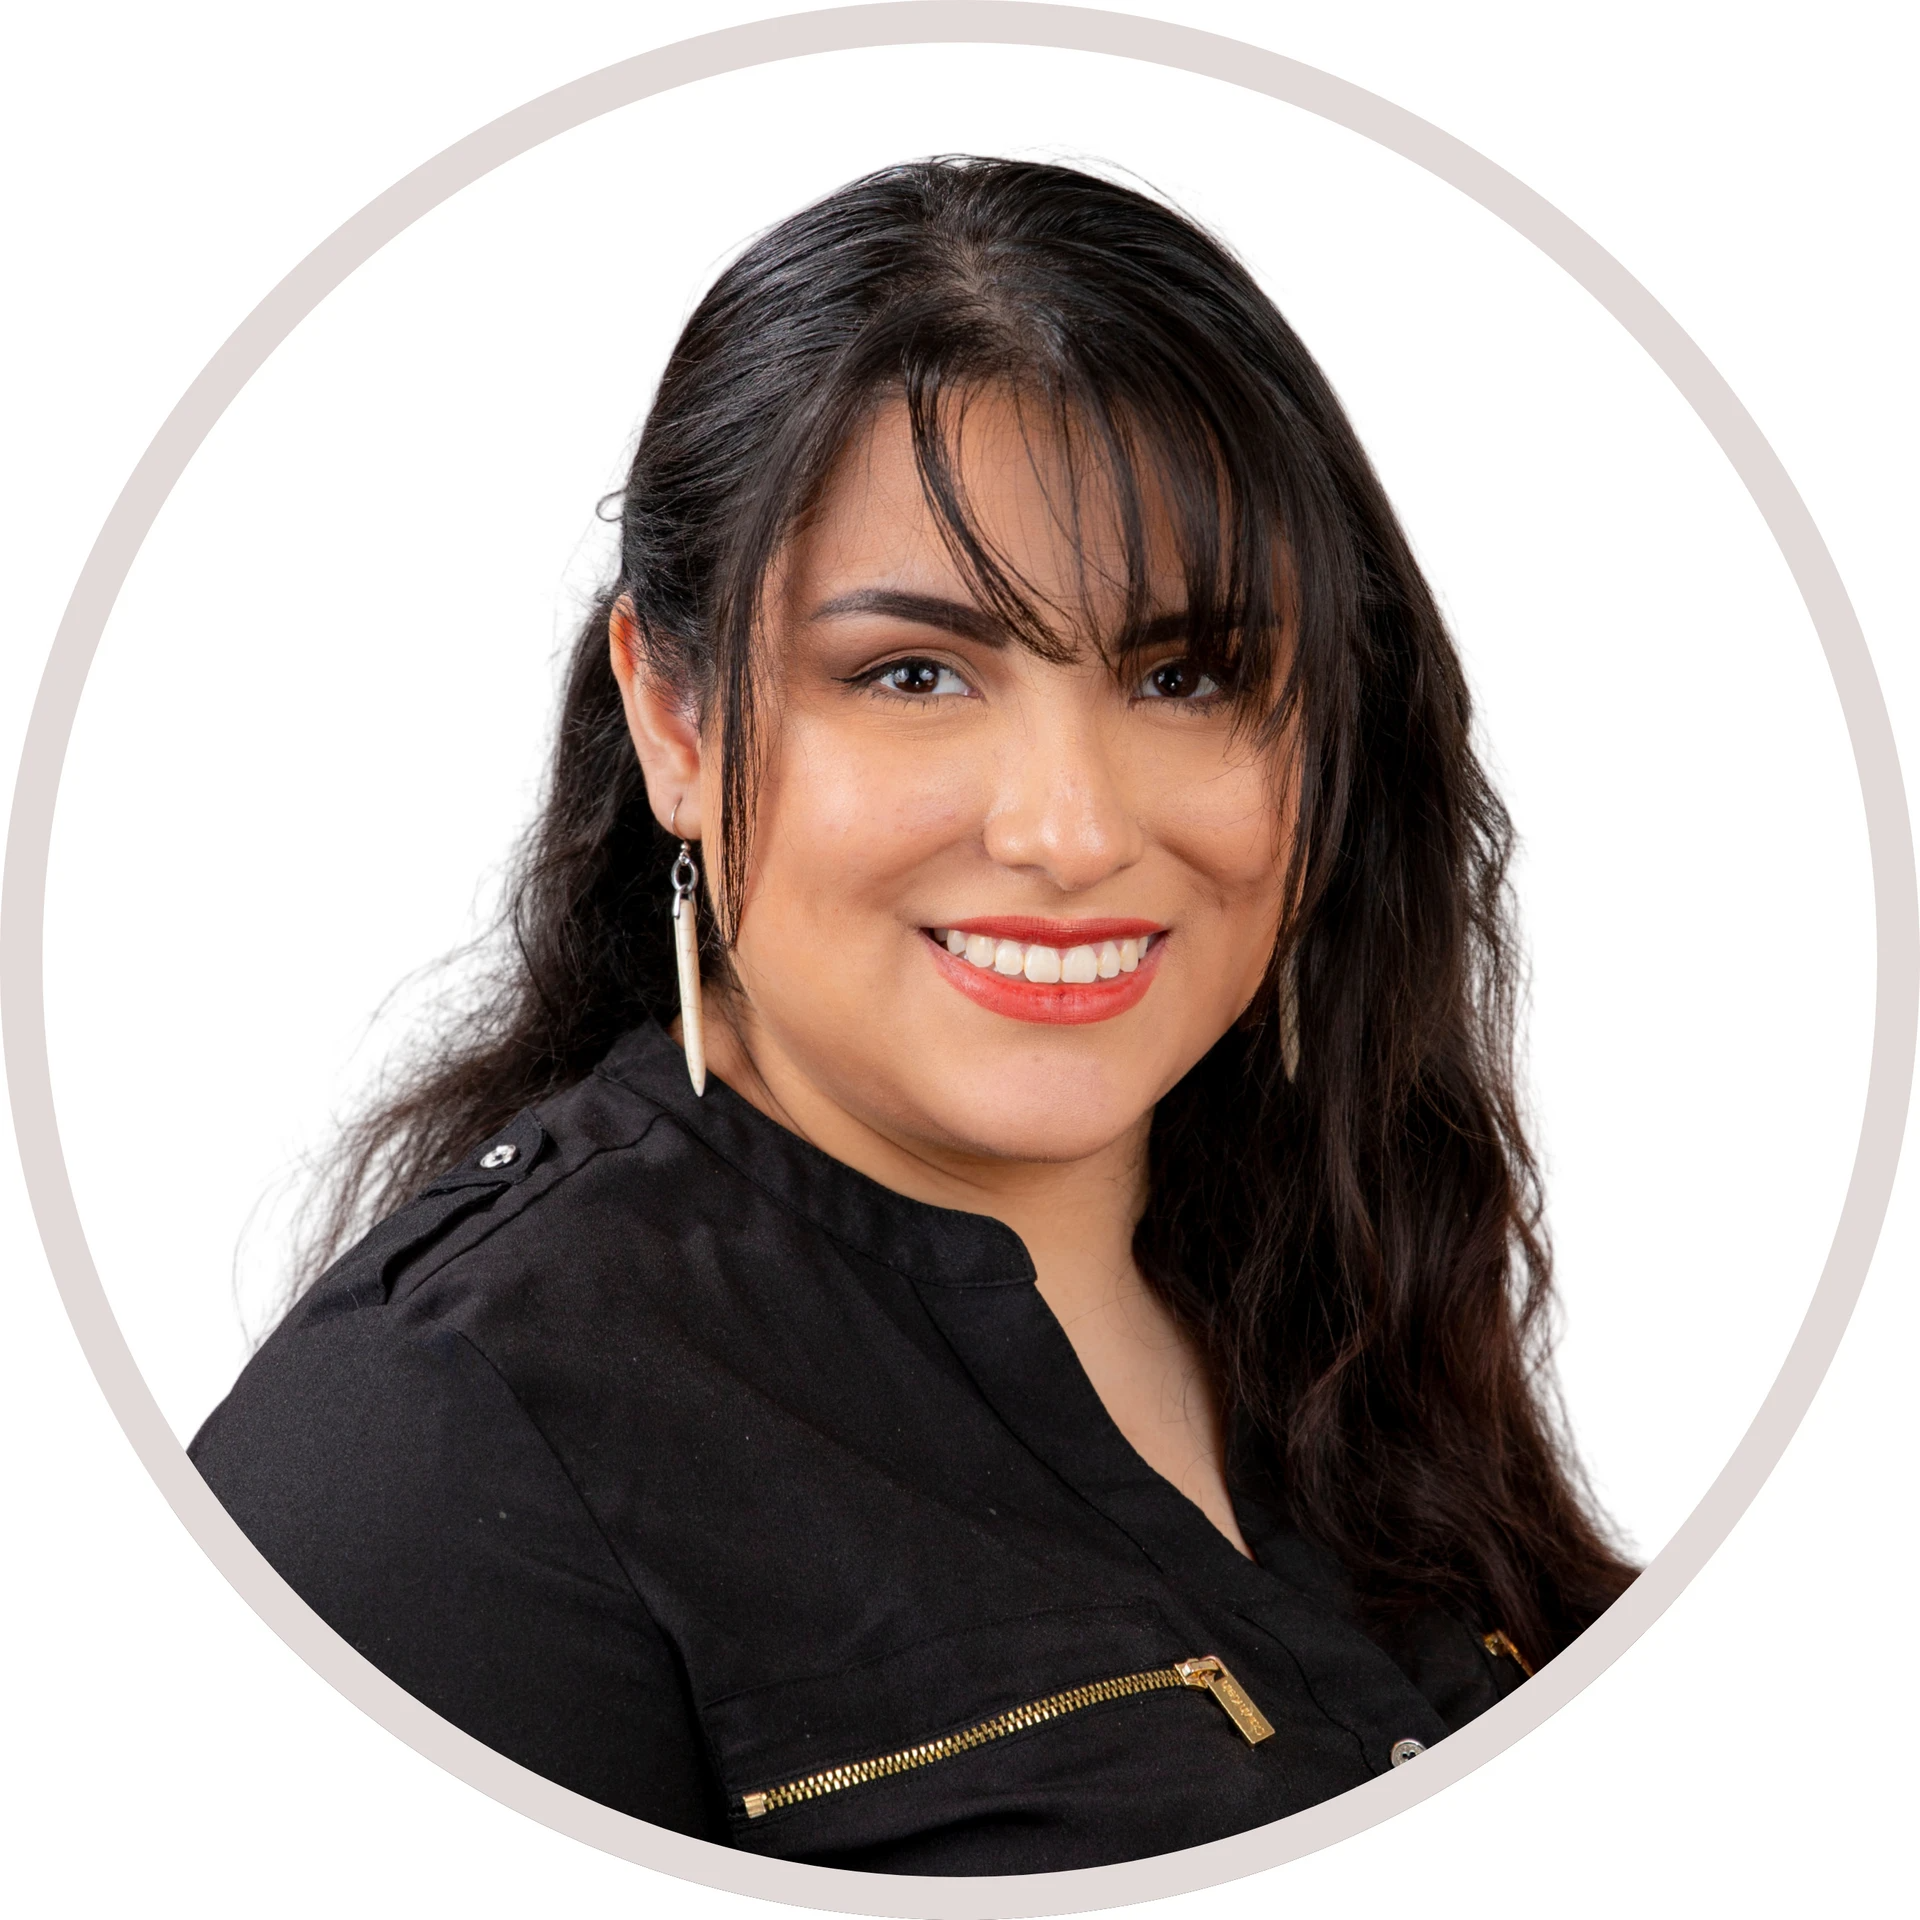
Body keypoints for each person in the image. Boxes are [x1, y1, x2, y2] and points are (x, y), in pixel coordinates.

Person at [190, 156, 1636, 1874]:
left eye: (1184, 676)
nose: (1070, 831)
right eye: (915, 673)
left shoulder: (1343, 1261)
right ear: (674, 721)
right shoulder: (423, 1447)